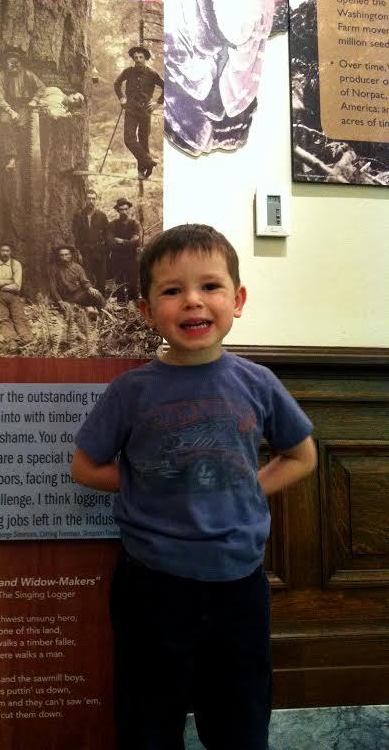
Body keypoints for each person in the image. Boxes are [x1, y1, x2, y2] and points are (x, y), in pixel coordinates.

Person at [71, 224, 317, 750]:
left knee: (239, 716)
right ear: (146, 311)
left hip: (239, 582)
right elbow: (86, 468)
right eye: (171, 290)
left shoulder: (257, 383)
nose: (192, 302)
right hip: (150, 585)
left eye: (209, 286)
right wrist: (149, 481)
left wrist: (247, 484)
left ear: (238, 299)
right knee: (148, 717)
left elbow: (301, 456)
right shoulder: (130, 391)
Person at [114, 45, 164, 179]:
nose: (138, 59)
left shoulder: (152, 73)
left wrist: (158, 103)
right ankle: (148, 162)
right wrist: (122, 98)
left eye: (141, 57)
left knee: (143, 141)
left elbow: (167, 87)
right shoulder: (128, 71)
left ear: (145, 58)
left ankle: (142, 172)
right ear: (133, 59)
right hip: (130, 109)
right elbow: (117, 84)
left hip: (145, 111)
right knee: (129, 139)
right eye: (135, 57)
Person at [0, 48, 45, 170]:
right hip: (7, 105)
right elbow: (0, 99)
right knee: (5, 122)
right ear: (7, 63)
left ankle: (22, 158)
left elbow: (42, 87)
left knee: (22, 125)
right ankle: (11, 157)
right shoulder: (1, 76)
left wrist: (34, 100)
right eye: (11, 63)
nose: (14, 66)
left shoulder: (28, 74)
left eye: (17, 63)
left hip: (23, 105)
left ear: (20, 63)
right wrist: (11, 111)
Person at [0, 243, 33, 345]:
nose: (5, 253)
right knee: (2, 319)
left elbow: (17, 286)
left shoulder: (16, 264)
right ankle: (12, 341)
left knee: (19, 317)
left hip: (13, 295)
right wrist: (8, 281)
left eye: (7, 251)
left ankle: (27, 339)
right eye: (3, 250)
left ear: (11, 252)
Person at [71, 188, 109, 294]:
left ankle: (101, 304)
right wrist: (78, 252)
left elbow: (107, 235)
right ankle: (89, 302)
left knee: (101, 278)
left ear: (96, 200)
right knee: (86, 277)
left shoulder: (102, 216)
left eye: (93, 199)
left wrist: (106, 252)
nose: (91, 201)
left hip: (100, 252)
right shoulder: (78, 216)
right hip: (85, 252)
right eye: (89, 199)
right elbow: (75, 235)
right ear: (85, 199)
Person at [49, 246, 105, 313]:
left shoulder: (77, 267)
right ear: (58, 256)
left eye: (66, 254)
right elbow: (53, 288)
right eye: (61, 255)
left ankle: (104, 313)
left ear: (71, 255)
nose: (64, 258)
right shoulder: (54, 270)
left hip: (79, 295)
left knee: (97, 294)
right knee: (70, 310)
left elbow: (84, 282)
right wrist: (60, 301)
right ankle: (87, 310)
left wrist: (90, 288)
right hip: (66, 298)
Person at [107, 197, 141, 302]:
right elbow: (111, 243)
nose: (124, 212)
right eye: (121, 209)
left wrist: (121, 241)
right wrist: (129, 242)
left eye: (126, 209)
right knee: (119, 283)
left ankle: (133, 305)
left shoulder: (134, 224)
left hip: (131, 257)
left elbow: (137, 242)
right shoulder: (112, 225)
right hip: (117, 258)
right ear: (118, 210)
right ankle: (120, 305)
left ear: (129, 209)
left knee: (133, 283)